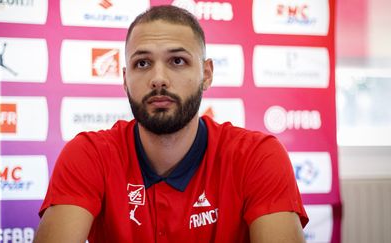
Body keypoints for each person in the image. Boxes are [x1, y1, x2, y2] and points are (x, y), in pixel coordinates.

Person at [34, 5, 308, 243]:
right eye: (142, 63)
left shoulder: (258, 156)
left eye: (177, 61)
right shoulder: (88, 154)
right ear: (125, 79)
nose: (158, 78)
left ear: (207, 74)